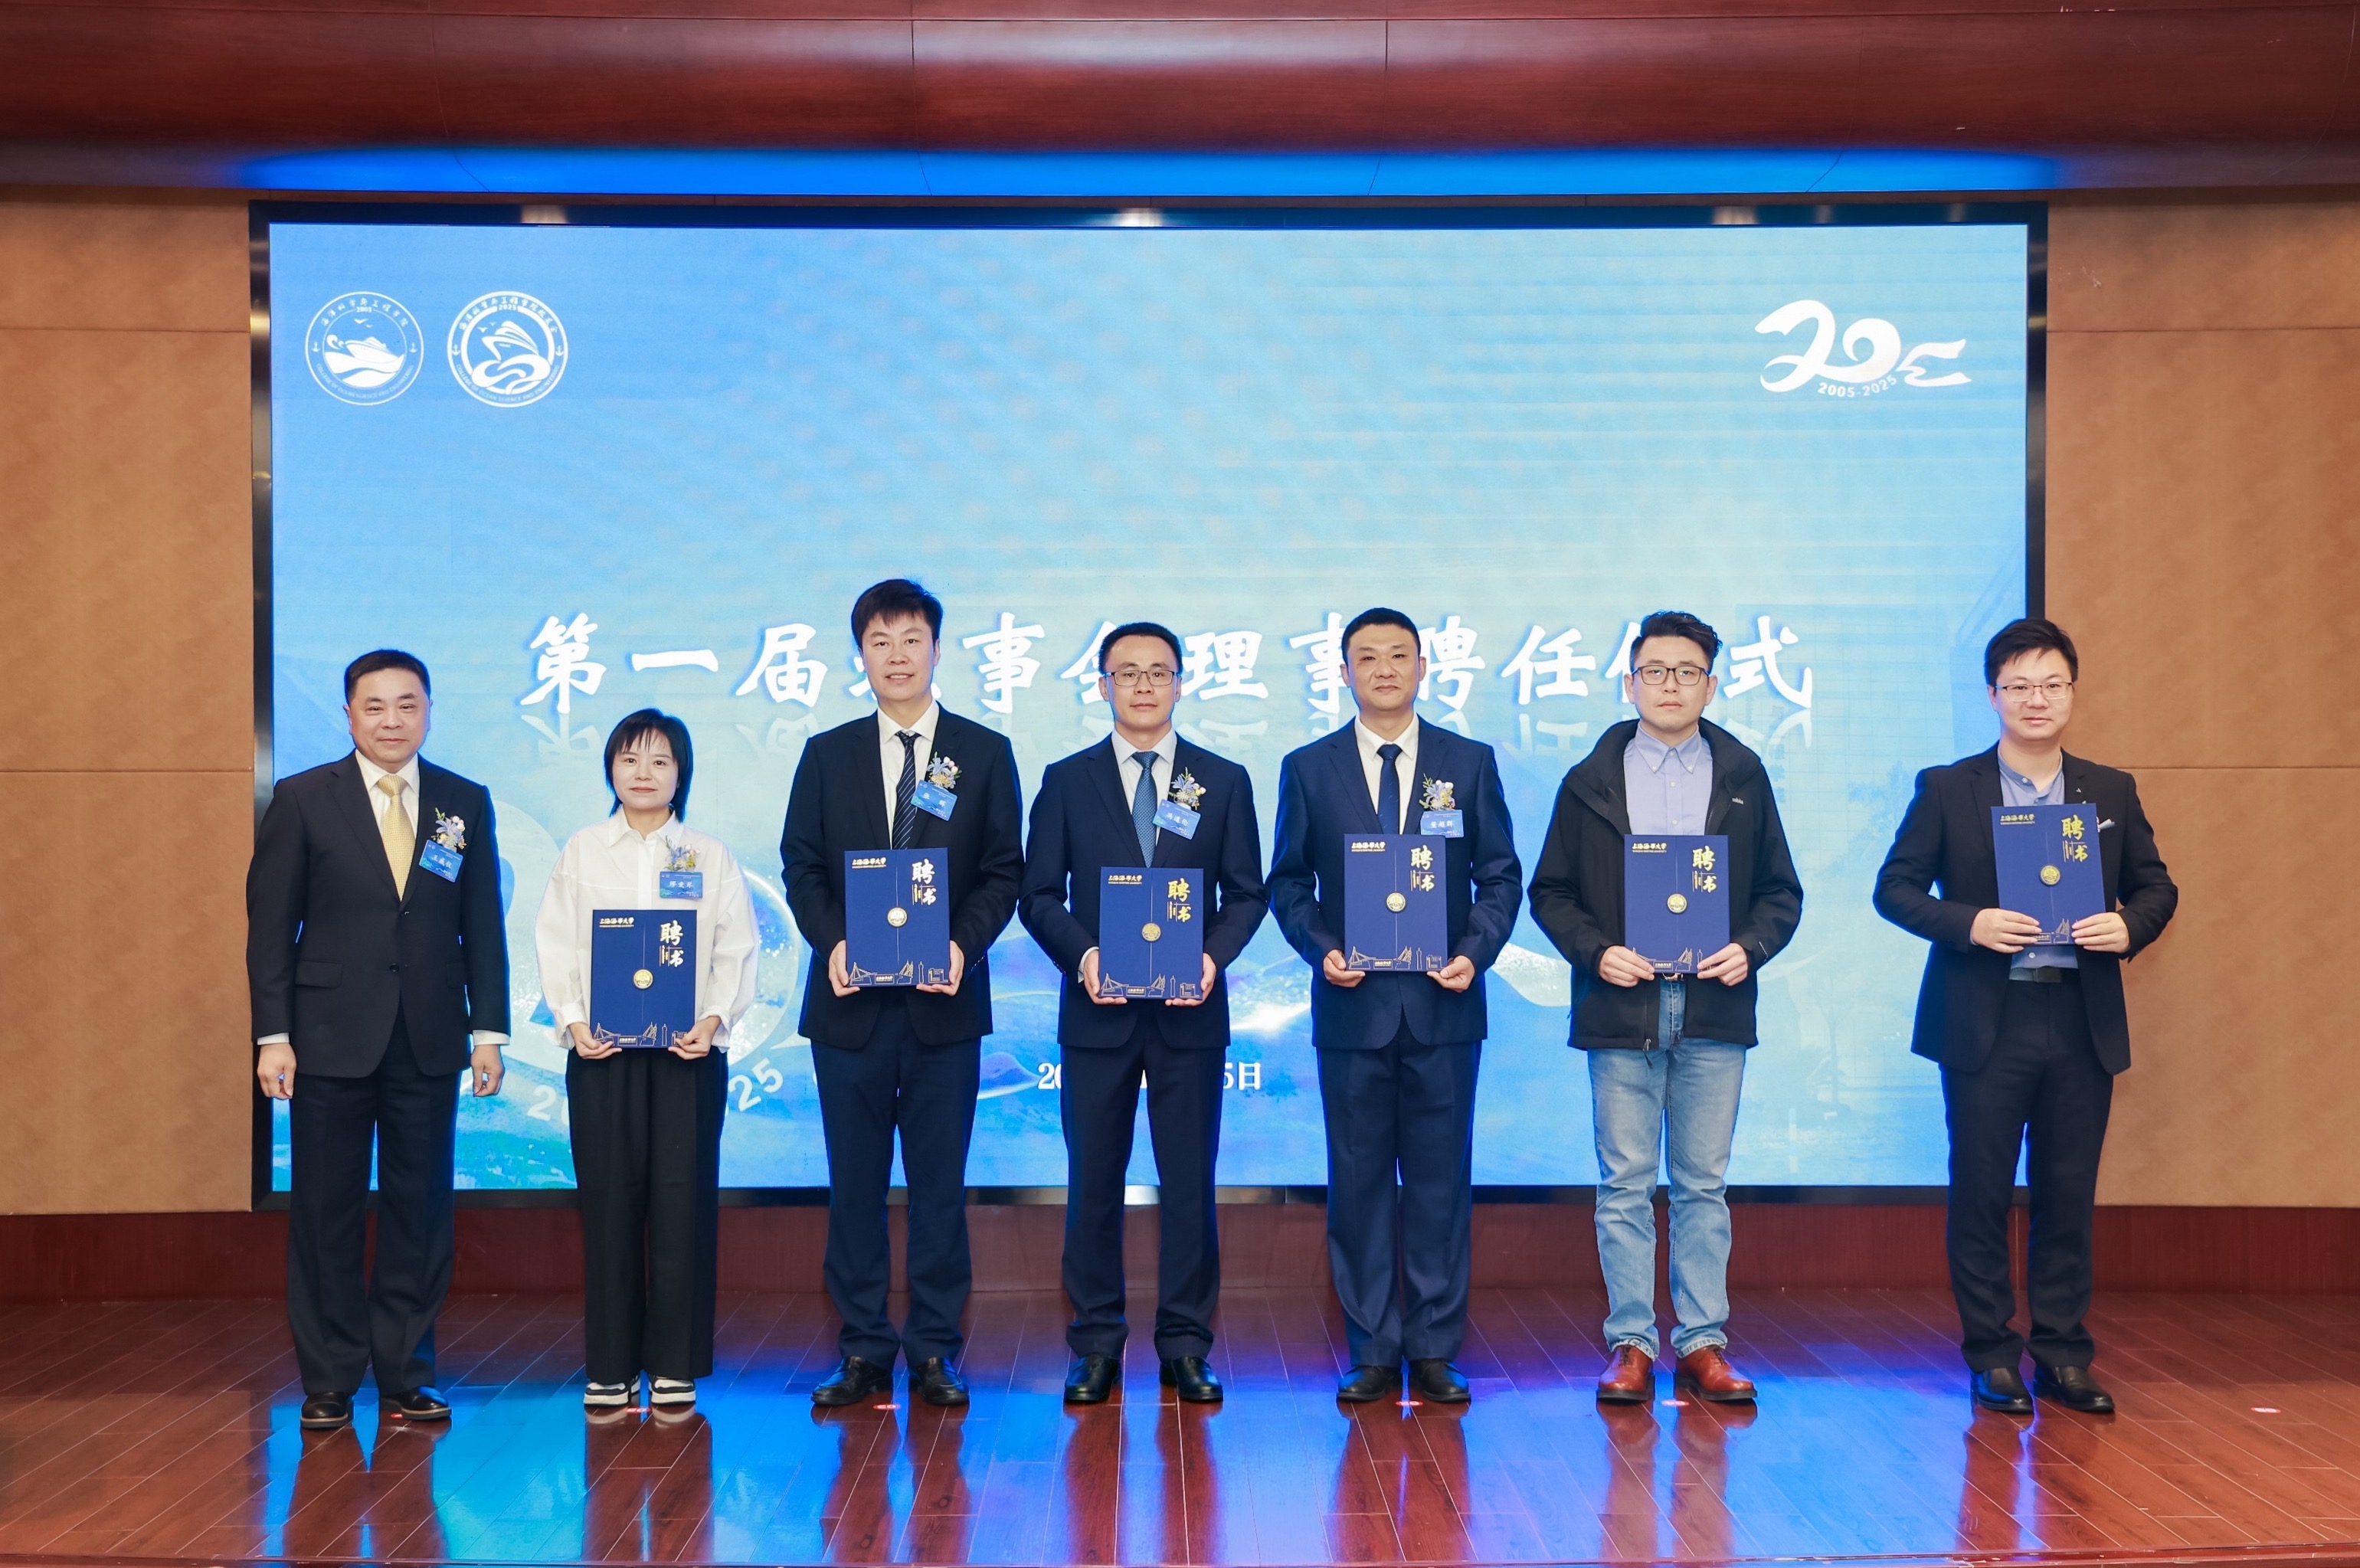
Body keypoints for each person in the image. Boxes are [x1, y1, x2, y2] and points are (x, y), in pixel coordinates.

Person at [1874, 617, 2177, 1416]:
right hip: (1987, 1016)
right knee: (1980, 1190)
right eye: (2019, 685)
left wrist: (2129, 927)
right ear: (1992, 695)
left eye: (2051, 684)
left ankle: (2064, 1354)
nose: (2036, 699)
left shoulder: (2108, 790)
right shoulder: (1949, 787)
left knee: (2066, 1193)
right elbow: (1894, 888)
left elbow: (2156, 887)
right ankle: (1991, 1354)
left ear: (2072, 692)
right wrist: (1969, 922)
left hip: (2079, 1015)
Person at [1526, 611, 1803, 1407]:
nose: (1670, 684)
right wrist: (1595, 952)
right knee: (1623, 1183)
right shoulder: (1590, 780)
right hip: (1622, 1005)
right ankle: (1630, 1344)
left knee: (1702, 1185)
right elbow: (1551, 891)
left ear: (1711, 686)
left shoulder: (1744, 775)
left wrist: (1749, 946)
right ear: (1630, 682)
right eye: (1655, 670)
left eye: (1687, 672)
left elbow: (1780, 892)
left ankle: (1703, 1342)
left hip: (1715, 1003)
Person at [247, 650, 509, 1432]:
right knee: (324, 1209)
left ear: (428, 711)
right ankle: (328, 1378)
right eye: (375, 706)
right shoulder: (302, 798)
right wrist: (273, 1034)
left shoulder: (464, 800)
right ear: (349, 714)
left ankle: (406, 1373)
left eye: (407, 704)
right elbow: (270, 928)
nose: (392, 720)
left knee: (419, 1210)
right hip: (326, 1036)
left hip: (428, 1035)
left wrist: (488, 1030)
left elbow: (482, 924)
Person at [780, 578, 1025, 1409]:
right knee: (854, 1186)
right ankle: (861, 1349)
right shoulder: (828, 753)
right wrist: (834, 942)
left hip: (942, 1006)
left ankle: (933, 1350)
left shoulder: (982, 752)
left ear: (936, 648)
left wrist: (961, 945)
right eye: (879, 642)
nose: (896, 656)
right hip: (848, 1008)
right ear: (861, 655)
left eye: (911, 639)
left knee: (937, 1187)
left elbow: (1003, 871)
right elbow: (801, 866)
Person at [1267, 607, 1522, 1406]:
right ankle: (1373, 1347)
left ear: (1422, 668)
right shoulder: (1309, 768)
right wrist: (1321, 948)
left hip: (1445, 1007)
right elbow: (1288, 881)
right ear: (1343, 671)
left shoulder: (1467, 762)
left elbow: (1500, 874)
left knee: (1441, 1184)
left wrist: (1474, 950)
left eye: (1398, 655)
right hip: (1353, 1009)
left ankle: (1436, 1347)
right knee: (1358, 1184)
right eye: (1367, 657)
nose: (1384, 669)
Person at [1017, 621, 1270, 1406]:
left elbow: (1247, 893)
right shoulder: (1067, 780)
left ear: (1180, 682)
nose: (1143, 686)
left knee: (1188, 1183)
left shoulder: (1221, 779)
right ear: (1102, 685)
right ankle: (1095, 1343)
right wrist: (1085, 955)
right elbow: (1037, 895)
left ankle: (1185, 1343)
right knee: (1093, 1181)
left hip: (1190, 1015)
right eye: (1126, 673)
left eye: (1158, 671)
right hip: (1098, 1013)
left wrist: (1211, 957)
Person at [535, 709, 759, 1413]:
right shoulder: (583, 850)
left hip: (686, 1056)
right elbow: (556, 942)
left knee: (681, 1206)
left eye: (660, 761)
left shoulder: (707, 855)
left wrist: (714, 1019)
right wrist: (573, 1021)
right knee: (608, 1206)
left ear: (680, 774)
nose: (643, 773)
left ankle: (673, 1363)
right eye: (629, 759)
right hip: (601, 1054)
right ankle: (609, 1365)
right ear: (610, 769)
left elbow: (736, 947)